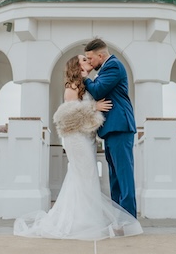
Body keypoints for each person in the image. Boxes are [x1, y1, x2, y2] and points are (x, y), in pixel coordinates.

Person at [13, 55, 143, 241]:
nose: (88, 61)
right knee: (85, 177)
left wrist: (94, 107)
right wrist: (93, 107)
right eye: (84, 59)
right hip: (77, 139)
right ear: (77, 65)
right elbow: (68, 118)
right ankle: (81, 222)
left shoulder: (87, 84)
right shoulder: (71, 87)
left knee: (87, 178)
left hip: (88, 138)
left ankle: (88, 218)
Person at [82, 38, 137, 218]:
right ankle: (119, 218)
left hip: (120, 126)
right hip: (112, 128)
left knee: (123, 175)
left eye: (90, 59)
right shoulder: (107, 67)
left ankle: (129, 220)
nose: (89, 62)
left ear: (101, 55)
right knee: (114, 177)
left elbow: (98, 90)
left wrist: (84, 78)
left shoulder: (113, 65)